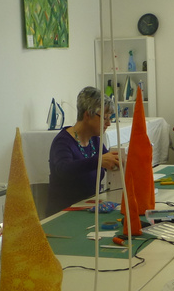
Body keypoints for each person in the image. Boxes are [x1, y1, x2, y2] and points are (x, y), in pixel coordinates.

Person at [46, 87, 120, 216]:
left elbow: (111, 163)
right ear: (87, 115)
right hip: (63, 215)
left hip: (87, 209)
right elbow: (64, 169)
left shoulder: (95, 140)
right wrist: (99, 161)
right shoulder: (63, 142)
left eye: (110, 118)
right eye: (105, 118)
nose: (108, 123)